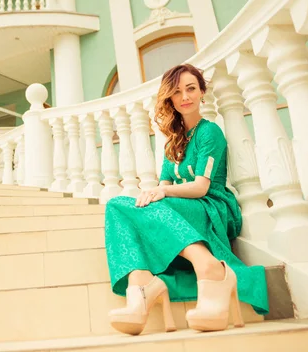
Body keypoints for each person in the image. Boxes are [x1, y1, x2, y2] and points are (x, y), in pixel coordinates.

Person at [105, 63, 269, 336]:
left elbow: (201, 187)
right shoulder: (173, 141)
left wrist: (163, 192)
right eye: (177, 91)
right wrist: (155, 193)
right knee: (117, 205)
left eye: (191, 88)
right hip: (180, 211)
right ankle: (141, 283)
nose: (185, 97)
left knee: (153, 204)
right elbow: (164, 185)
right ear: (170, 98)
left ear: (202, 92)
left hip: (212, 209)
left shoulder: (209, 132)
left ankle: (208, 265)